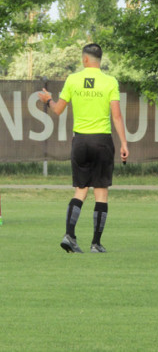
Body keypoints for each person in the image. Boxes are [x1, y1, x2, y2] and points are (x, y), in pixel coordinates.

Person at [38, 43, 129, 253]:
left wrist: (48, 99)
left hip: (80, 141)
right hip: (102, 141)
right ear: (100, 60)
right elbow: (116, 115)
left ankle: (69, 235)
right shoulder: (110, 82)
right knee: (101, 193)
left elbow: (58, 110)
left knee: (80, 190)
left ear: (85, 59)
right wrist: (124, 143)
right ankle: (96, 244)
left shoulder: (73, 80)